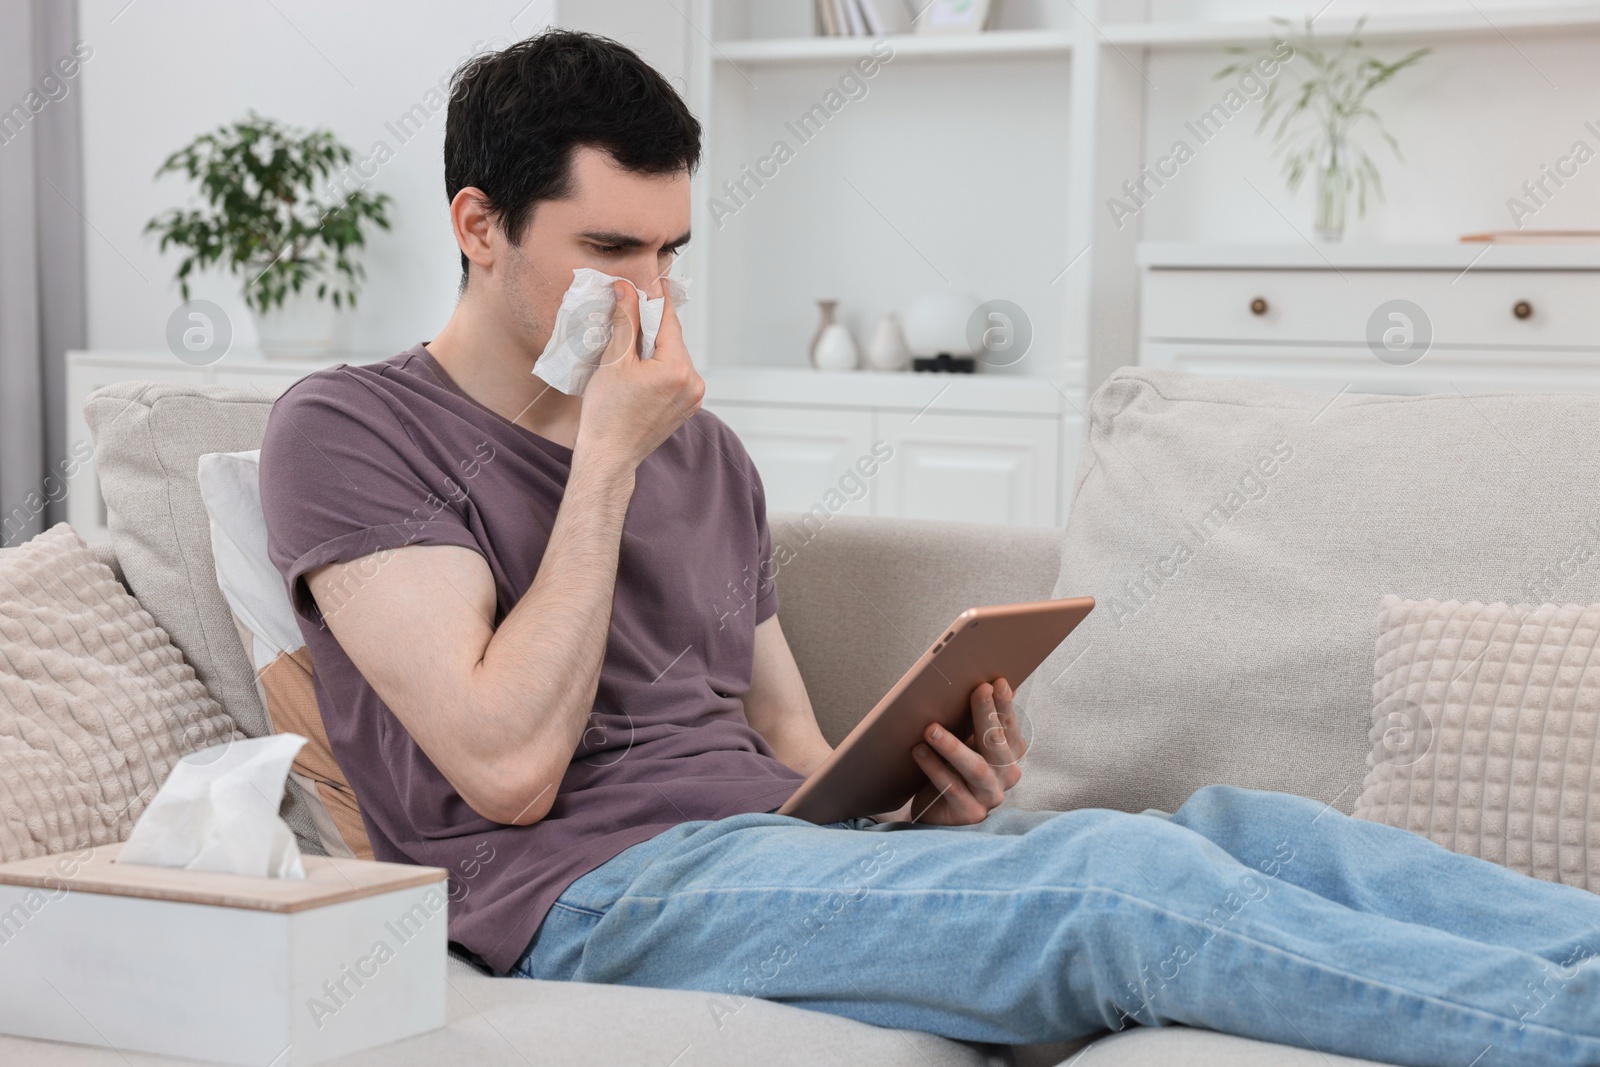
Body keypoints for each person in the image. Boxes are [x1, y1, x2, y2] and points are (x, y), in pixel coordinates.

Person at [258, 29, 1600, 1066]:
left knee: (1254, 828)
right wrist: (603, 453)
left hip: (765, 857)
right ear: (478, 225)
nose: (652, 297)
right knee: (1114, 884)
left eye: (670, 250)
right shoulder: (353, 428)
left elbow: (787, 756)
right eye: (608, 250)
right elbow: (501, 767)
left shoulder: (704, 452)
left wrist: (915, 807)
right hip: (585, 896)